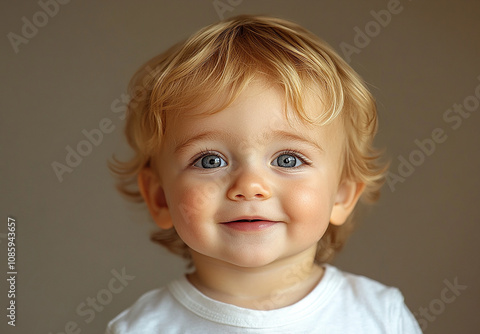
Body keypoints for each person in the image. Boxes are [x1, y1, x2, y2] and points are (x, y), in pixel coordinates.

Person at [106, 15, 422, 333]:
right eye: (210, 161)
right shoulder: (142, 328)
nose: (250, 186)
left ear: (342, 193)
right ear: (160, 197)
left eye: (287, 160)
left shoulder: (379, 317)